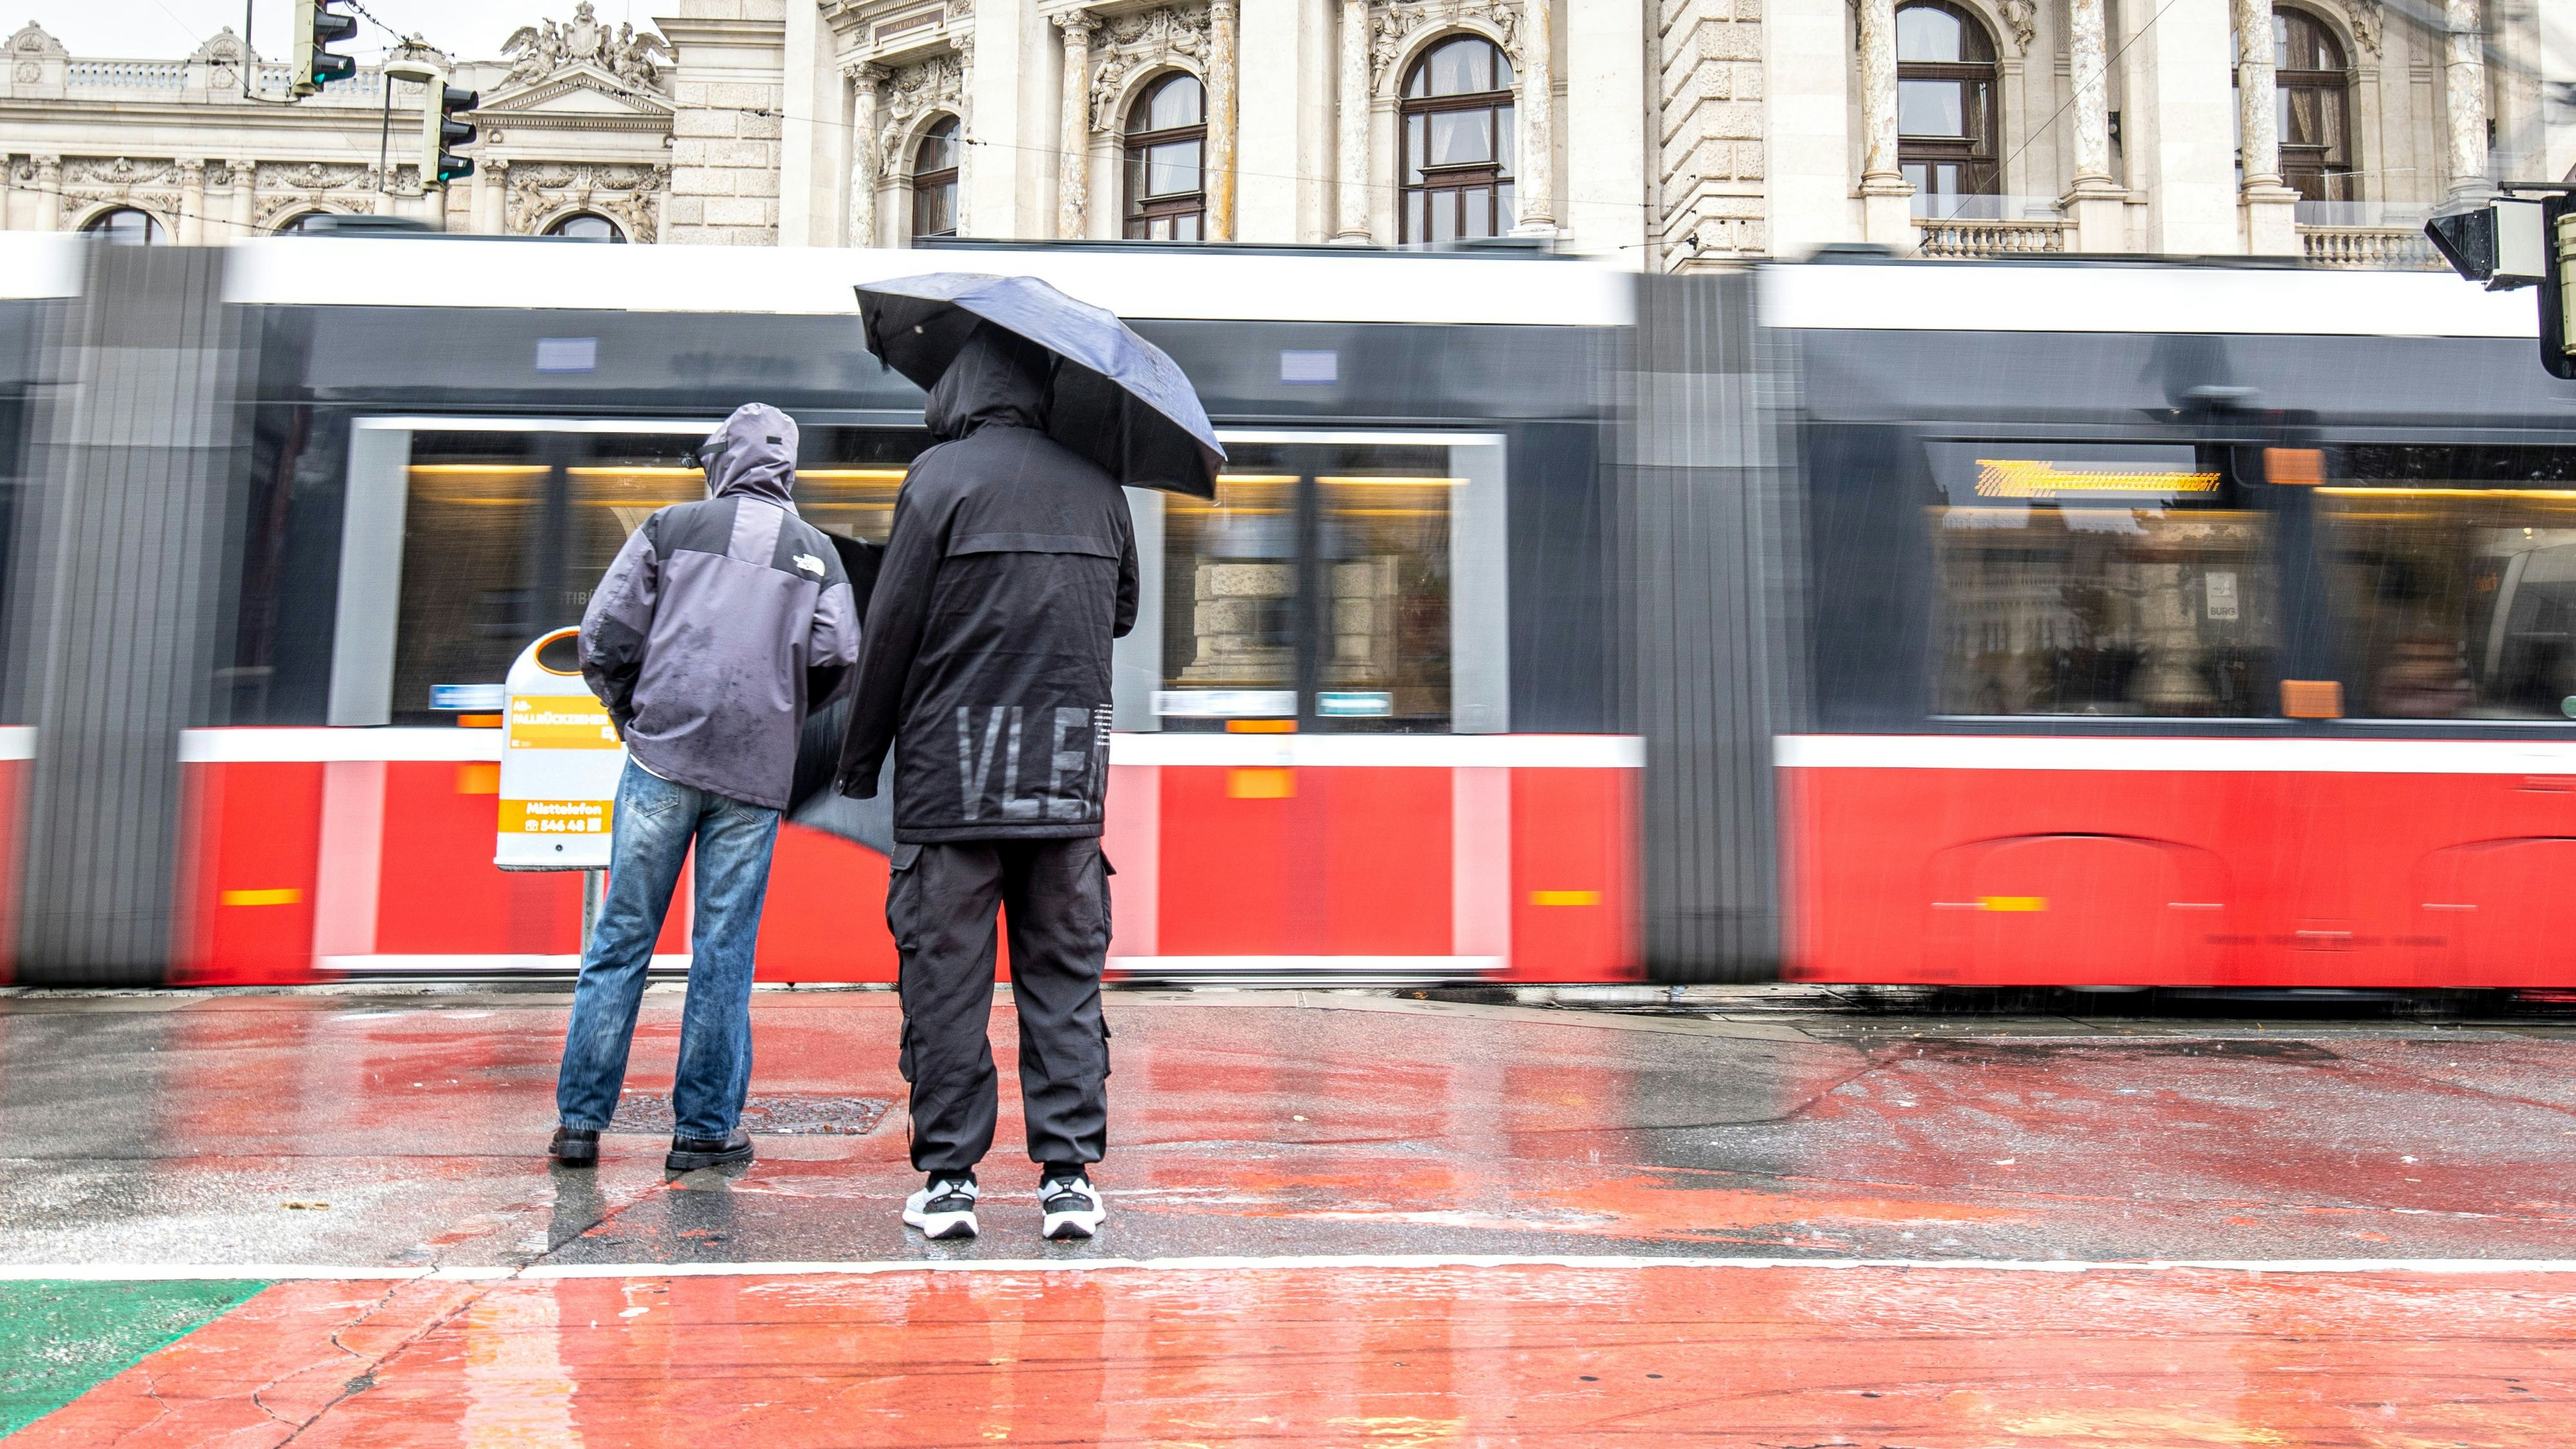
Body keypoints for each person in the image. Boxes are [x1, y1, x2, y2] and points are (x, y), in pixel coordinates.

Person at [837, 324, 1135, 1242]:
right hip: (1064, 778)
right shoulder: (1100, 485)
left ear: (959, 389)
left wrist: (857, 760)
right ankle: (1068, 1180)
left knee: (948, 981)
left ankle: (952, 1180)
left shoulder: (938, 479)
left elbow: (890, 630)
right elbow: (1122, 612)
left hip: (950, 780)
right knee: (1063, 976)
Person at [549, 402, 860, 1174]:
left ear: (722, 459)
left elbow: (604, 637)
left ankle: (581, 1125)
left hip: (660, 757)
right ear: (787, 466)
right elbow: (838, 654)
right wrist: (779, 715)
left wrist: (632, 712)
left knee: (621, 938)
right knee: (724, 952)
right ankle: (703, 1132)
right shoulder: (817, 552)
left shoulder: (668, 526)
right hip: (754, 775)